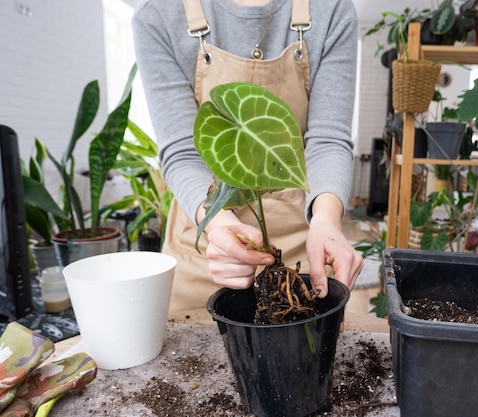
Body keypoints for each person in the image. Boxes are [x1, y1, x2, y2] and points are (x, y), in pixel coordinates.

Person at [132, 0, 363, 313]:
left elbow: (328, 139)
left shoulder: (330, 9)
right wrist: (218, 226)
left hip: (301, 252)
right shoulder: (158, 14)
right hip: (208, 245)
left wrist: (326, 219)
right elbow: (184, 151)